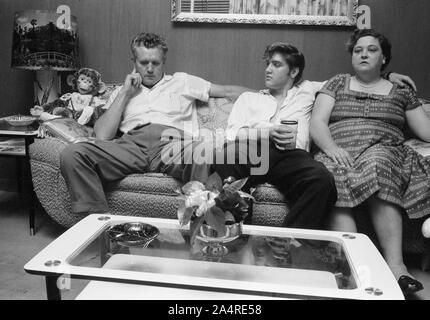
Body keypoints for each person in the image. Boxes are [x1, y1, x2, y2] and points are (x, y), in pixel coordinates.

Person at [213, 41, 416, 231]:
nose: (268, 69)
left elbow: (354, 81)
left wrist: (387, 76)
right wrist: (268, 132)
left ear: (293, 71)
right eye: (268, 64)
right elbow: (233, 133)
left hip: (292, 156)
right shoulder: (248, 98)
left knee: (322, 180)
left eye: (276, 65)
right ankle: (236, 235)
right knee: (227, 156)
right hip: (252, 151)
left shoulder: (309, 90)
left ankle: (287, 240)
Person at [59, 32, 250, 215]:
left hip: (173, 145)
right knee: (73, 154)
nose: (150, 69)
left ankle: (202, 225)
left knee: (202, 152)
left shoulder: (182, 81)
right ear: (133, 63)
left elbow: (227, 91)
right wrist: (125, 93)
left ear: (163, 61)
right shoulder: (122, 91)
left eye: (155, 63)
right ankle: (98, 224)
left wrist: (268, 97)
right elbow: (102, 135)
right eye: (143, 63)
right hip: (131, 146)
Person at [310, 28, 430, 294]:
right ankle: (354, 266)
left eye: (372, 49)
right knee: (330, 174)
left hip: (383, 149)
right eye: (358, 50)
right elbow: (317, 122)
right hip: (338, 149)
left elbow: (425, 130)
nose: (363, 54)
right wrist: (331, 148)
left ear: (384, 58)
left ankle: (397, 268)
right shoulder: (337, 83)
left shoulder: (401, 90)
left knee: (378, 164)